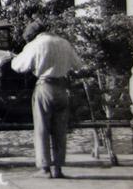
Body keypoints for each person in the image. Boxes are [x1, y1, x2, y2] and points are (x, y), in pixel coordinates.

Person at [12, 21, 82, 179]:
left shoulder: (36, 44)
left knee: (42, 128)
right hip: (62, 88)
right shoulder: (64, 42)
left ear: (32, 35)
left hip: (45, 86)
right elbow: (78, 64)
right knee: (60, 130)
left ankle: (44, 168)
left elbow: (18, 66)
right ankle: (58, 168)